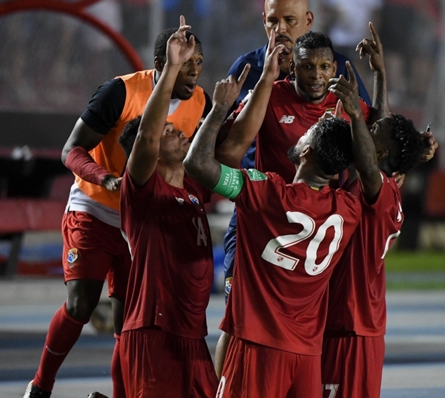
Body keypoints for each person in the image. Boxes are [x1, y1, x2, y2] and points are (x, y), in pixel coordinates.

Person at [23, 28, 211, 398]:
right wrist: (105, 178)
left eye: (199, 64)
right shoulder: (121, 92)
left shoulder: (200, 102)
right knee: (81, 303)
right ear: (161, 64)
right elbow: (71, 151)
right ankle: (41, 386)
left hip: (139, 225)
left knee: (129, 322)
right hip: (94, 208)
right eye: (186, 64)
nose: (194, 73)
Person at [184, 70, 362, 398]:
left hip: (257, 345)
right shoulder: (348, 210)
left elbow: (196, 163)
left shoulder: (266, 192)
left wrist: (219, 109)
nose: (300, 135)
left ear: (306, 152)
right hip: (308, 353)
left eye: (307, 134)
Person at [213, 30, 375, 376]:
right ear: (293, 69)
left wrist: (379, 76)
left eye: (324, 67)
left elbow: (375, 149)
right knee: (239, 315)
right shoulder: (270, 95)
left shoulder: (347, 105)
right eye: (307, 67)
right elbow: (225, 153)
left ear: (334, 67)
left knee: (315, 319)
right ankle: (223, 385)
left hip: (318, 228)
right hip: (266, 219)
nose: (316, 75)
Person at [115, 17, 232, 397]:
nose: (180, 130)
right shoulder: (143, 190)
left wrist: (258, 86)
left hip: (192, 334)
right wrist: (171, 68)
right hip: (154, 332)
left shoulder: (193, 185)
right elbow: (147, 135)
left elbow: (230, 148)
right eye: (170, 130)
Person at [321, 26, 435, 398]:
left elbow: (372, 161)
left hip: (352, 326)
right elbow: (379, 147)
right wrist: (381, 75)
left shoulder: (380, 189)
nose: (367, 130)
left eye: (373, 133)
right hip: (351, 323)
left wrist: (354, 109)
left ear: (380, 154)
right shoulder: (381, 185)